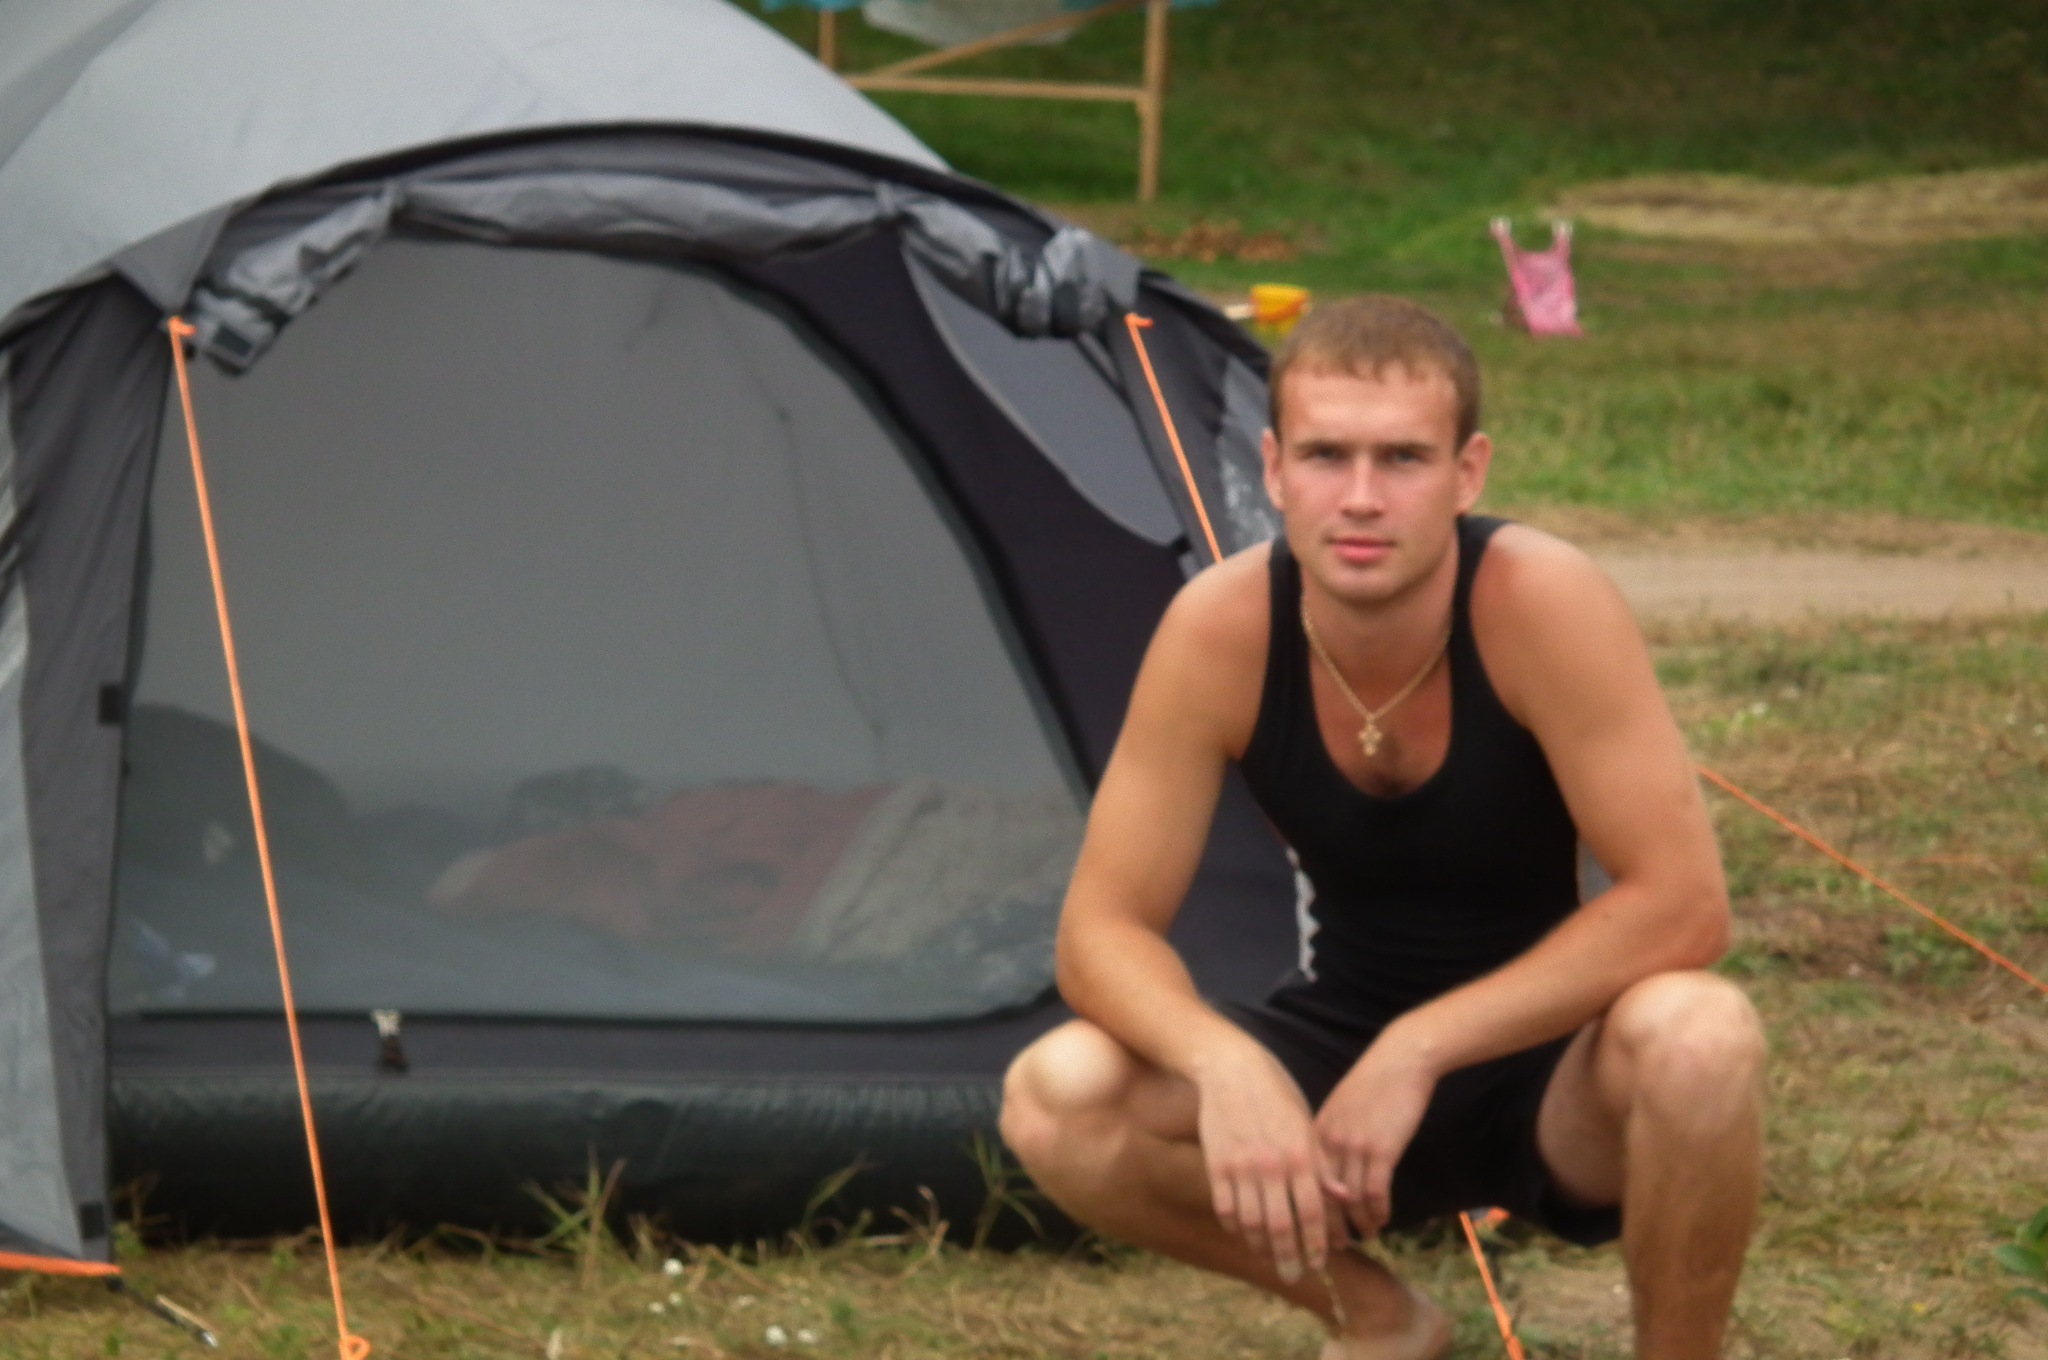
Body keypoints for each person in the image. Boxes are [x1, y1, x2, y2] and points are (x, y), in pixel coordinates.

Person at [999, 295, 1764, 1360]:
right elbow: (1100, 933)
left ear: (1467, 472)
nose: (1361, 498)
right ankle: (1377, 1319)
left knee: (1702, 1032)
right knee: (1056, 1095)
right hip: (1336, 1052)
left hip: (1558, 1072)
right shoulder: (1222, 629)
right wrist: (1223, 1064)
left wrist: (1419, 1048)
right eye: (1326, 455)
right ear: (1273, 469)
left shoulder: (1539, 600)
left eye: (1403, 458)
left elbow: (1683, 906)